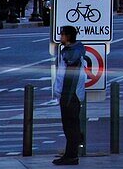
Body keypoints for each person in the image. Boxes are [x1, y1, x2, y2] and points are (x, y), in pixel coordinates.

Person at [52, 26, 88, 165]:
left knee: (70, 125)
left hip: (70, 95)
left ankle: (72, 155)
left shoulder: (72, 54)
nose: (60, 37)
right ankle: (70, 152)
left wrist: (62, 94)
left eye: (62, 35)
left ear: (67, 36)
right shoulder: (71, 51)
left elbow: (68, 78)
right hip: (71, 94)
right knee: (70, 125)